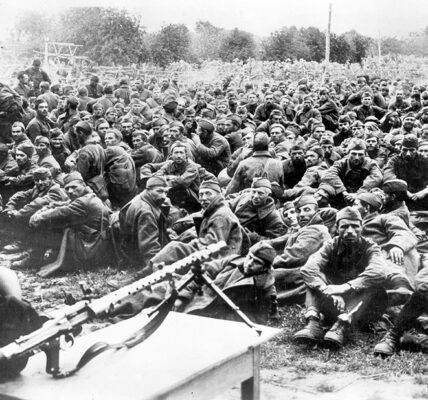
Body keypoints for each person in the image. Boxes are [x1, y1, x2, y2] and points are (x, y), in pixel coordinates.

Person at [294, 207, 388, 348]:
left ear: (361, 227)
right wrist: (327, 290)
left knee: (373, 285)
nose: (350, 231)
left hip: (360, 305)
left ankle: (341, 326)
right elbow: (308, 269)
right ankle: (313, 323)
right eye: (344, 226)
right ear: (337, 228)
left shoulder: (371, 247)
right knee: (315, 277)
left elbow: (380, 271)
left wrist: (345, 287)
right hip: (334, 301)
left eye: (355, 226)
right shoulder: (330, 245)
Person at [29, 172, 112, 276]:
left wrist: (38, 217)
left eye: (73, 187)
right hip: (94, 240)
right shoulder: (89, 195)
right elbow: (66, 204)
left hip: (90, 246)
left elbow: (60, 212)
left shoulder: (83, 202)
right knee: (56, 222)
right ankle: (37, 256)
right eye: (67, 188)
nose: (70, 191)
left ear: (83, 185)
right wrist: (50, 206)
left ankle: (33, 259)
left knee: (48, 223)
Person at [150, 178, 245, 269]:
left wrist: (184, 246)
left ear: (218, 195)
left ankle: (147, 271)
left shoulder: (221, 216)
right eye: (201, 194)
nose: (203, 198)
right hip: (216, 257)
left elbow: (211, 245)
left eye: (208, 193)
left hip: (220, 261)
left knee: (175, 248)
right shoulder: (214, 212)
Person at [118, 176, 171, 270]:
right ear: (148, 190)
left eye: (166, 192)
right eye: (159, 191)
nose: (164, 196)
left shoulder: (142, 198)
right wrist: (157, 265)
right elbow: (149, 246)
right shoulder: (146, 212)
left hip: (128, 248)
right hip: (137, 257)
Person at [315, 138, 382, 207]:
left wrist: (359, 193)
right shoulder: (341, 163)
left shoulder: (371, 163)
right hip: (342, 194)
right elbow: (327, 175)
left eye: (360, 154)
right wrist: (343, 191)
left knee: (377, 193)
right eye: (353, 154)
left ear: (365, 154)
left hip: (364, 194)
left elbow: (377, 177)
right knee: (323, 190)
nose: (357, 157)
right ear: (348, 154)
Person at [228, 177, 286, 245]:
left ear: (268, 195)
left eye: (260, 193)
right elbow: (227, 205)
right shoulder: (245, 198)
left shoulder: (272, 216)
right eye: (253, 192)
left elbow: (275, 241)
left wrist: (255, 238)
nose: (255, 196)